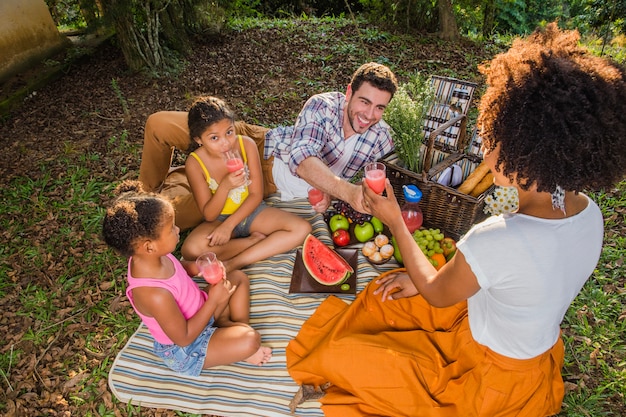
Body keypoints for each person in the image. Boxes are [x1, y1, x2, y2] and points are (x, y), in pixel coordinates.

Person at [285, 23, 626, 416]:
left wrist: (396, 221)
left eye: (492, 140)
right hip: (519, 349)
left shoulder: (496, 238)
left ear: (524, 149)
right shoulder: (589, 212)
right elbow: (523, 274)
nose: (485, 152)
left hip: (487, 378)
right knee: (387, 296)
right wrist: (420, 282)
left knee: (347, 355)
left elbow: (438, 292)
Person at [138, 62, 398, 230]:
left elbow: (399, 175)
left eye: (379, 108)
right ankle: (142, 191)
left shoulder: (381, 139)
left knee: (160, 218)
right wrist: (347, 192)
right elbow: (303, 159)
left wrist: (332, 191)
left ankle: (170, 187)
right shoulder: (324, 106)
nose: (369, 115)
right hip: (259, 145)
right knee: (159, 124)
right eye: (364, 102)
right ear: (349, 92)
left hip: (260, 182)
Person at [102, 180, 272, 376]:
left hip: (201, 311)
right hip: (189, 347)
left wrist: (197, 267)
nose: (178, 230)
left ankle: (232, 331)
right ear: (149, 246)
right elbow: (183, 338)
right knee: (251, 340)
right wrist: (214, 300)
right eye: (171, 229)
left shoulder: (152, 256)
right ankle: (238, 343)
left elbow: (178, 268)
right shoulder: (154, 293)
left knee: (238, 277)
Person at [180, 96, 311, 271]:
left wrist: (229, 226)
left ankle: (233, 263)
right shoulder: (195, 163)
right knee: (191, 250)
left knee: (302, 229)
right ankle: (254, 242)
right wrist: (226, 186)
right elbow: (209, 215)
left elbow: (256, 195)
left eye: (229, 132)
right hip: (219, 219)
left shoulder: (246, 145)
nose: (226, 143)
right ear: (198, 139)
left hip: (252, 212)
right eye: (214, 138)